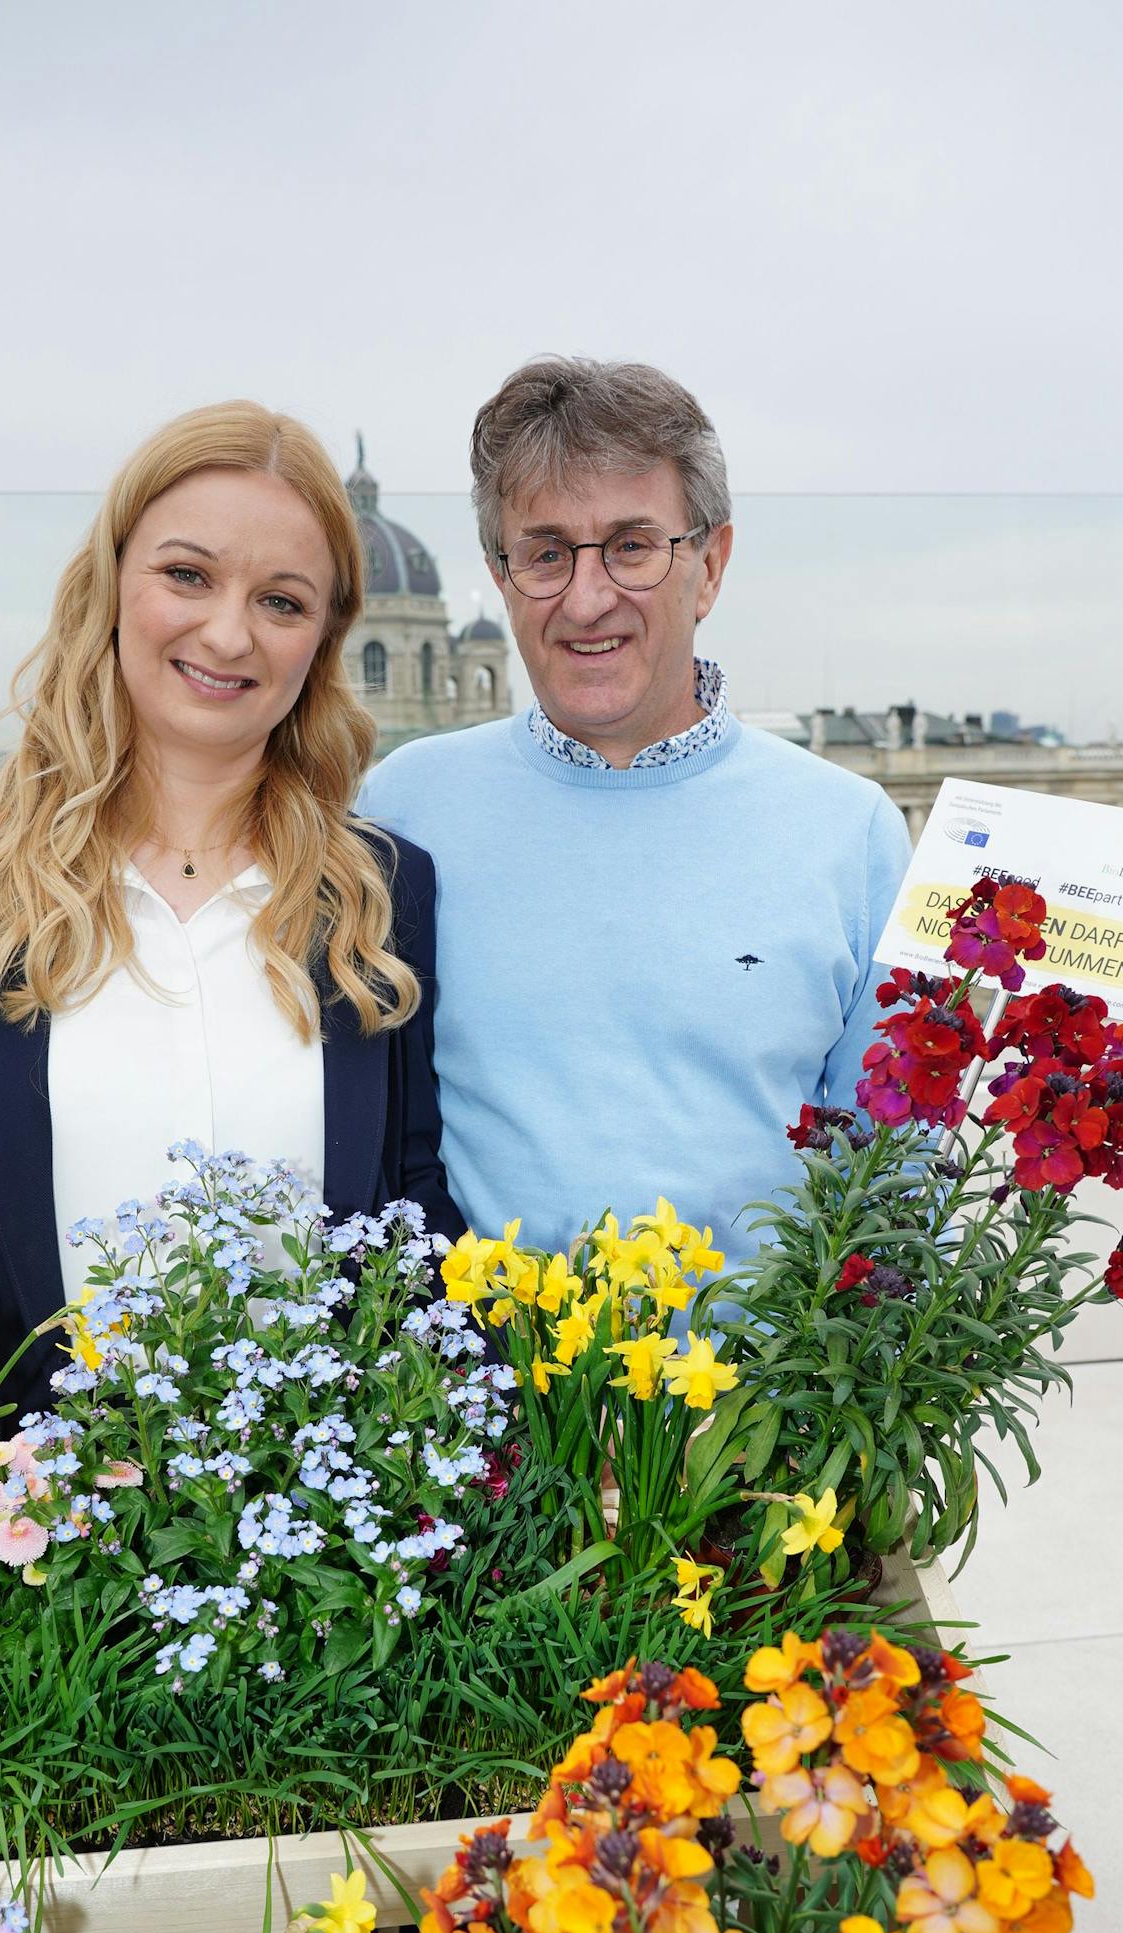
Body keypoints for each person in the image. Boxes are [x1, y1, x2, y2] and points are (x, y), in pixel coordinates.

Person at [0, 401, 463, 1410]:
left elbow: (408, 1217)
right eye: (187, 575)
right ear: (111, 583)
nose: (227, 633)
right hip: (19, 1527)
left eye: (281, 601)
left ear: (323, 640)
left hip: (320, 1539)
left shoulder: (378, 888)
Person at [362, 355, 912, 1262]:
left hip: (755, 1397)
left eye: (631, 546)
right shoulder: (405, 805)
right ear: (501, 576)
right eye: (544, 552)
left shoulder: (850, 832)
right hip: (485, 1390)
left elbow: (894, 1171)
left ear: (712, 562)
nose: (587, 598)